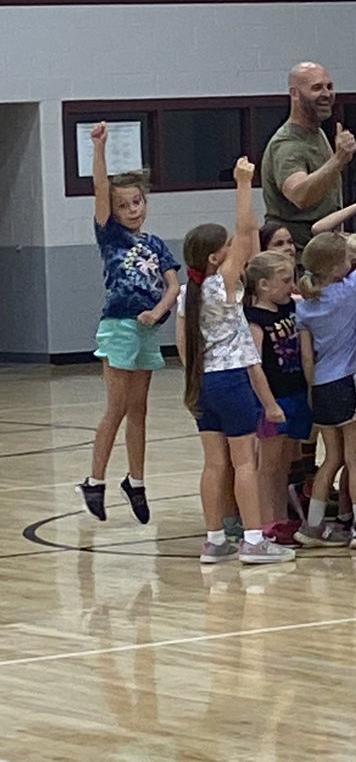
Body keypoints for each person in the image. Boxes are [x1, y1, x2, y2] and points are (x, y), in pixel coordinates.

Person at [177, 158, 295, 564]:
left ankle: (214, 540)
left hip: (203, 382)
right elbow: (247, 231)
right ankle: (254, 540)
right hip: (230, 380)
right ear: (214, 258)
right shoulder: (220, 285)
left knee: (214, 464)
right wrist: (244, 184)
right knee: (245, 462)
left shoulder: (186, 295)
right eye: (225, 250)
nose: (234, 251)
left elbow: (182, 347)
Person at [78, 122, 180, 524]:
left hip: (147, 331)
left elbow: (173, 285)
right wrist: (99, 148)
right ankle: (94, 480)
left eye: (137, 202)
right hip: (119, 327)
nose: (133, 210)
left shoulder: (154, 243)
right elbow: (100, 190)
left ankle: (135, 480)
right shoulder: (111, 237)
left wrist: (158, 312)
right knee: (116, 407)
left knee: (139, 411)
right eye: (125, 205)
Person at [294, 194, 356, 549]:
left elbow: (306, 357)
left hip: (320, 386)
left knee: (330, 458)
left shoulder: (305, 308)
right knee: (355, 458)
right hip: (349, 381)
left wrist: (310, 387)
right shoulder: (350, 292)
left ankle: (312, 526)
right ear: (337, 268)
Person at [244, 250, 312, 541]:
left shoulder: (291, 309)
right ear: (263, 285)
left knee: (284, 462)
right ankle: (267, 522)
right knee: (267, 466)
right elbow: (254, 366)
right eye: (285, 280)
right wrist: (269, 404)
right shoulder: (255, 319)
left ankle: (282, 517)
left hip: (296, 392)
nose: (290, 285)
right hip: (273, 399)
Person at [260, 62, 356, 250]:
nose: (327, 94)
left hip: (324, 254)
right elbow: (300, 195)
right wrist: (338, 160)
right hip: (298, 260)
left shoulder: (317, 133)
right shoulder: (287, 144)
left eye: (329, 87)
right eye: (316, 88)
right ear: (295, 94)